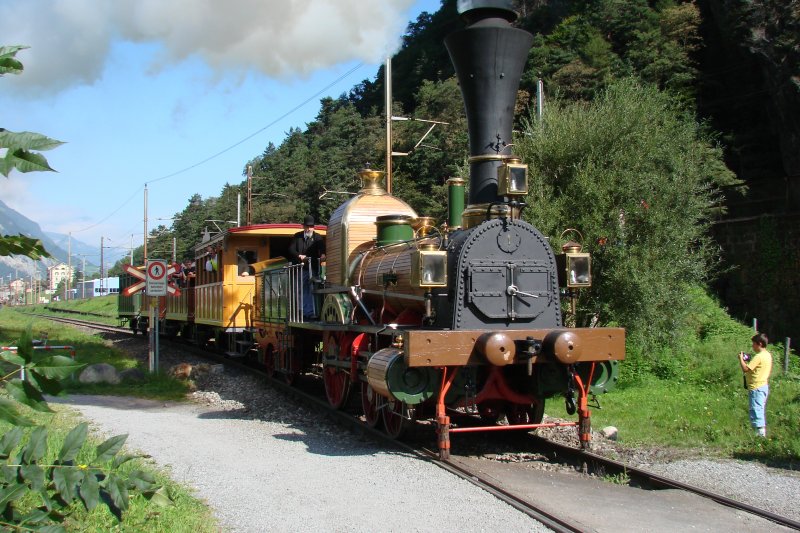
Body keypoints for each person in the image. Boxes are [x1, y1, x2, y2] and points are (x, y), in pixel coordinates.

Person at [288, 215, 326, 319]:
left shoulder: (317, 237)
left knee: (311, 289)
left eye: (311, 226)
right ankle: (304, 312)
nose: (309, 228)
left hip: (313, 268)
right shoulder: (297, 236)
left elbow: (322, 248)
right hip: (301, 268)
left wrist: (323, 255)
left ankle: (311, 312)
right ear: (303, 226)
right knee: (301, 290)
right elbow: (291, 249)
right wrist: (299, 255)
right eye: (307, 226)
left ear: (314, 227)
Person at [739, 333, 773, 438]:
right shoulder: (767, 355)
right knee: (759, 409)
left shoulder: (758, 357)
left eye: (754, 344)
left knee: (756, 410)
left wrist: (741, 359)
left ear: (759, 344)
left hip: (756, 387)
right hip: (763, 386)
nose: (752, 346)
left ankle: (760, 436)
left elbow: (745, 369)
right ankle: (759, 434)